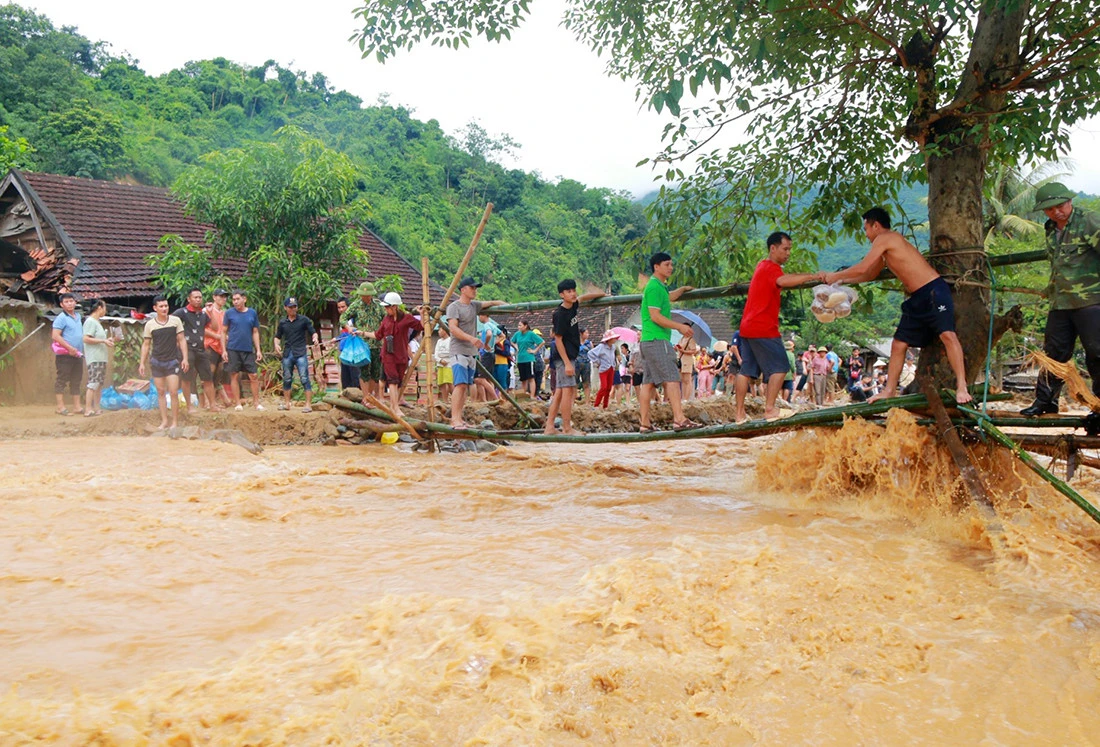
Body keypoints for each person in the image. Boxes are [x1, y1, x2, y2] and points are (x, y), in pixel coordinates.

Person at [825, 207, 973, 404]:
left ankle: (961, 386)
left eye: (866, 229)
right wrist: (842, 281)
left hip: (933, 292)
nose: (867, 235)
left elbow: (863, 266)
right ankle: (889, 390)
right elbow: (869, 274)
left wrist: (835, 276)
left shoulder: (886, 238)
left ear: (875, 225)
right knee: (898, 344)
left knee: (947, 334)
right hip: (916, 298)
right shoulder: (884, 247)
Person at [1020, 182, 1100, 416]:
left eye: (1060, 205)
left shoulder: (1089, 220)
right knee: (1053, 354)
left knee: (1096, 353)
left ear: (1070, 201)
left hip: (1091, 300)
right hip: (1060, 301)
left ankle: (1098, 406)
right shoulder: (1049, 228)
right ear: (1044, 211)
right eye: (1050, 208)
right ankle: (1045, 401)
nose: (1057, 211)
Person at [734, 232, 826, 423]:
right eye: (785, 249)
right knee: (781, 367)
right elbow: (783, 281)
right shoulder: (771, 268)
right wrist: (812, 276)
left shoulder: (761, 265)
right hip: (763, 327)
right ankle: (769, 409)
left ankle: (739, 414)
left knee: (746, 370)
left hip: (747, 326)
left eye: (790, 249)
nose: (788, 253)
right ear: (773, 248)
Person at [637, 252, 698, 432]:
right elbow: (655, 316)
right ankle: (679, 419)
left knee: (648, 383)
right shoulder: (655, 288)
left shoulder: (658, 286)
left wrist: (682, 290)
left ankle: (645, 423)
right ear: (656, 266)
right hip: (657, 339)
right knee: (672, 377)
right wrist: (678, 326)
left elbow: (668, 297)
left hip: (648, 340)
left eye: (671, 264)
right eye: (667, 264)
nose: (670, 267)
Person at [544, 279, 604, 434]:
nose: (572, 294)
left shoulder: (573, 307)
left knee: (559, 392)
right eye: (568, 291)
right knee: (567, 391)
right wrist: (567, 363)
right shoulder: (560, 314)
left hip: (569, 356)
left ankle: (550, 427)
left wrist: (602, 294)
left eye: (573, 290)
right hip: (563, 357)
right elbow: (557, 339)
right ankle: (567, 427)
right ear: (561, 295)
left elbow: (583, 298)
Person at [446, 278, 505, 429]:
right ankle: (455, 419)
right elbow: (453, 328)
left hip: (471, 352)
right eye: (471, 288)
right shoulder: (454, 307)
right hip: (459, 350)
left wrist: (500, 302)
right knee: (459, 385)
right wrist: (471, 338)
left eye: (475, 288)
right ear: (463, 289)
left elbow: (489, 303)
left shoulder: (474, 306)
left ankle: (459, 418)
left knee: (465, 385)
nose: (474, 290)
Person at [139, 295, 189, 430]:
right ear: (155, 308)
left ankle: (175, 422)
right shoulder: (150, 324)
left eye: (166, 306)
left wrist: (185, 358)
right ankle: (164, 421)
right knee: (161, 392)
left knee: (173, 392)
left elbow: (182, 340)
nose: (164, 308)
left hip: (172, 361)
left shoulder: (175, 321)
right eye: (161, 306)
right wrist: (142, 363)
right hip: (156, 361)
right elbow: (146, 345)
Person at [274, 297, 320, 412]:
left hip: (300, 353)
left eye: (295, 307)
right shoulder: (282, 322)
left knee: (304, 378)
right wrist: (276, 345)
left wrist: (315, 338)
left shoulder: (304, 320)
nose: (293, 309)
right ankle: (287, 404)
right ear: (285, 308)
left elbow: (313, 332)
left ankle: (308, 405)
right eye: (290, 307)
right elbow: (277, 337)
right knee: (287, 378)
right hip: (287, 353)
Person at [341, 282, 386, 400]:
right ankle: (366, 397)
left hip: (376, 343)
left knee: (376, 373)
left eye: (368, 295)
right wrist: (349, 328)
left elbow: (386, 320)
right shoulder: (356, 306)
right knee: (364, 371)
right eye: (363, 295)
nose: (365, 297)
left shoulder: (378, 306)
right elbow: (343, 318)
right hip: (362, 344)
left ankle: (370, 396)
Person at [221, 289, 264, 411]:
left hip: (248, 349)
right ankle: (238, 403)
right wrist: (224, 350)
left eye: (237, 299)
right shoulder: (229, 313)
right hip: (233, 348)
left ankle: (256, 403)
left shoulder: (252, 313)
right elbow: (223, 332)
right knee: (234, 375)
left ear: (244, 299)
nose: (235, 302)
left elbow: (255, 332)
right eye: (233, 300)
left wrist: (258, 350)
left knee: (254, 375)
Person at [172, 288, 212, 414]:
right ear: (189, 299)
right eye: (195, 297)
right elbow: (169, 324)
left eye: (200, 297)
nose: (198, 299)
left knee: (208, 378)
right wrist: (177, 341)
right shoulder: (181, 312)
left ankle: (213, 405)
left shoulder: (203, 314)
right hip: (186, 350)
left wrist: (210, 311)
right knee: (187, 378)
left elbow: (214, 326)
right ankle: (189, 406)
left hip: (201, 349)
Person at [51, 293, 85, 416]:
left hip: (77, 354)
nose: (70, 303)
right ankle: (60, 407)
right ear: (61, 304)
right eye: (66, 302)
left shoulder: (78, 316)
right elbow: (55, 335)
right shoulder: (61, 317)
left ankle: (77, 407)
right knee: (62, 380)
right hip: (65, 355)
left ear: (75, 302)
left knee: (76, 380)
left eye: (71, 301)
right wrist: (69, 348)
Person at [81, 299, 114, 416]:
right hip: (94, 358)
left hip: (100, 357)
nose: (105, 310)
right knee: (93, 383)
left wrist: (107, 340)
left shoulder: (96, 322)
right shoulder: (90, 321)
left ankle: (96, 408)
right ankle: (88, 409)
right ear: (99, 307)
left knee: (99, 384)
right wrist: (103, 340)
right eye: (105, 307)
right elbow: (86, 338)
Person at [203, 289, 232, 409]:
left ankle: (213, 402)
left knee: (217, 375)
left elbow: (224, 330)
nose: (223, 299)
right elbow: (201, 329)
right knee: (208, 375)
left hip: (221, 347)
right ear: (214, 297)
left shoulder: (224, 313)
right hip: (210, 345)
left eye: (225, 297)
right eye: (221, 296)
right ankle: (206, 402)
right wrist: (216, 336)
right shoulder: (207, 311)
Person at [333, 296, 361, 391]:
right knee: (345, 378)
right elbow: (344, 335)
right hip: (344, 352)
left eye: (343, 307)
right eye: (339, 307)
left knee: (355, 377)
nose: (341, 309)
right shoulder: (342, 320)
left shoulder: (354, 319)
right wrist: (336, 339)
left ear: (348, 307)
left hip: (353, 352)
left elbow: (358, 331)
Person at [510, 320, 543, 398]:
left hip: (529, 358)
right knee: (523, 378)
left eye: (520, 325)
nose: (519, 327)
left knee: (531, 378)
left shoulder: (531, 334)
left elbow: (542, 342)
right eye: (518, 325)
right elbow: (512, 341)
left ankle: (532, 395)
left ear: (525, 326)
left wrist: (534, 350)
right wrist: (516, 347)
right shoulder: (517, 334)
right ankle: (524, 395)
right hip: (520, 359)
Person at [587, 330, 619, 409]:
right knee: (604, 387)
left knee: (608, 388)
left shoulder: (613, 347)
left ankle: (605, 405)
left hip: (611, 368)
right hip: (604, 369)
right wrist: (597, 362)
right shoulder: (601, 347)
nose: (615, 339)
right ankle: (596, 404)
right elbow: (590, 353)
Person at [434, 323, 453, 404]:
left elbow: (451, 353)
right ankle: (445, 400)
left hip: (449, 364)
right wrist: (440, 360)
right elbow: (436, 353)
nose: (438, 332)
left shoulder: (451, 340)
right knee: (441, 383)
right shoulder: (439, 341)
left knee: (450, 382)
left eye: (440, 330)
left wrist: (445, 359)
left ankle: (455, 399)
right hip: (440, 364)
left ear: (445, 330)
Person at [676, 335, 699, 401]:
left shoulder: (691, 339)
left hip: (687, 360)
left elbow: (693, 351)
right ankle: (683, 397)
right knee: (682, 379)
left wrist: (684, 351)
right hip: (681, 360)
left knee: (687, 380)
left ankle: (686, 397)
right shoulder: (681, 338)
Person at [575, 328, 593, 403]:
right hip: (576, 364)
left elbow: (593, 353)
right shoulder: (575, 342)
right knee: (574, 383)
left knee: (586, 383)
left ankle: (587, 402)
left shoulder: (589, 343)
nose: (587, 335)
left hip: (586, 364)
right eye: (586, 333)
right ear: (581, 334)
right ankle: (573, 400)